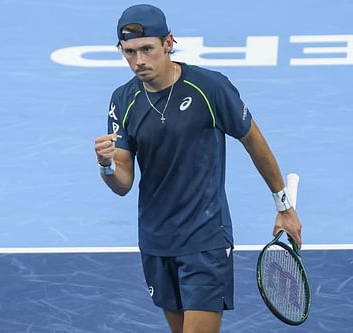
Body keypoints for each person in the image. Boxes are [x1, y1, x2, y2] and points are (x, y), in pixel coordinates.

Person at [94, 4, 302, 333]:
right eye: (129, 52)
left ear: (168, 43)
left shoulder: (210, 88)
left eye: (147, 49)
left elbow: (254, 142)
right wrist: (106, 165)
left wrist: (283, 206)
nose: (139, 61)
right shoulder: (123, 99)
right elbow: (123, 183)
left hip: (205, 240)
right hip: (155, 241)